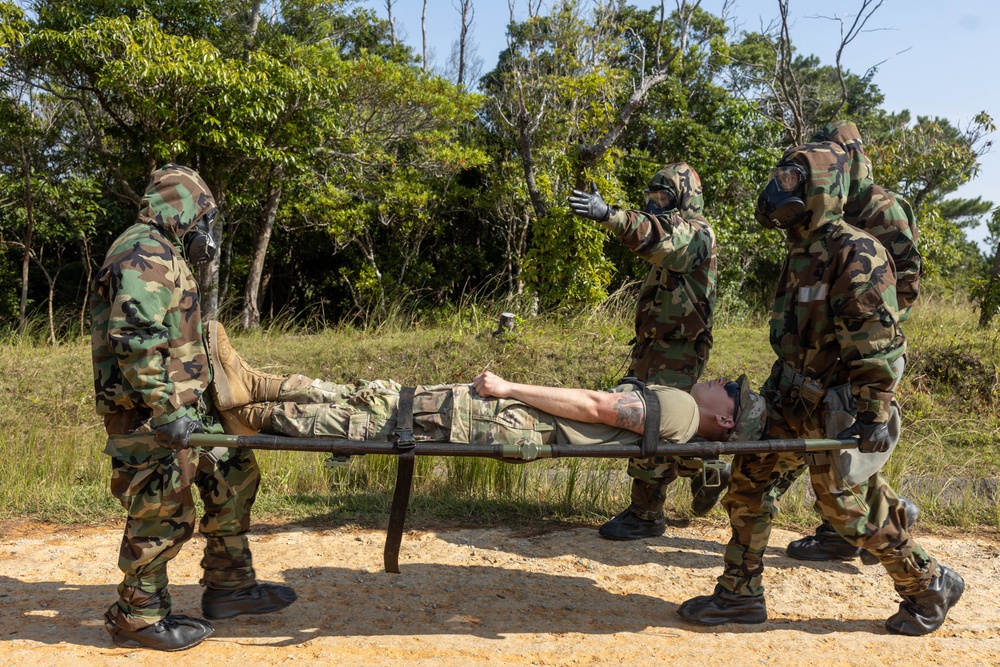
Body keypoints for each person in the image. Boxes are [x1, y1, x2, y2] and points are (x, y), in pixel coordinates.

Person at [676, 142, 963, 636]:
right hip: (790, 396)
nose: (778, 190)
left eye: (791, 180)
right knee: (749, 483)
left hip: (838, 403)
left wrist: (873, 414)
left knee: (849, 510)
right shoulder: (801, 248)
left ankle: (928, 583)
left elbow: (877, 342)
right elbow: (794, 339)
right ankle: (740, 594)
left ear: (823, 188)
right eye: (780, 178)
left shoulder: (857, 251)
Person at [90, 165, 296, 652]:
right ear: (177, 208)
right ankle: (137, 615)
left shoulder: (167, 251)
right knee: (163, 509)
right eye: (201, 215)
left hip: (188, 407)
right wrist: (166, 412)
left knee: (235, 476)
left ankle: (231, 587)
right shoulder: (141, 252)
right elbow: (135, 339)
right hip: (149, 414)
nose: (206, 228)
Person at [203, 322, 767, 458]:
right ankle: (249, 390)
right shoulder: (681, 411)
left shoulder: (679, 411)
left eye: (732, 393)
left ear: (725, 422)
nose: (722, 381)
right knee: (380, 400)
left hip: (508, 419)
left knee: (374, 417)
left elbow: (595, 406)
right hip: (510, 417)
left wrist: (508, 385)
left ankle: (252, 411)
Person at [781, 120, 922, 562]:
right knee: (829, 437)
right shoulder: (821, 211)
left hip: (868, 337)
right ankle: (859, 526)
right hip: (833, 341)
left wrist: (869, 331)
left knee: (848, 438)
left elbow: (905, 282)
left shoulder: (883, 209)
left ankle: (878, 524)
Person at [567, 163, 726, 541]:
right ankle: (707, 465)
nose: (656, 206)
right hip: (655, 348)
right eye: (651, 199)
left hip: (679, 349)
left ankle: (646, 513)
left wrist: (609, 215)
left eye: (664, 198)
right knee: (656, 424)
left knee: (653, 425)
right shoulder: (676, 230)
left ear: (685, 198)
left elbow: (659, 238)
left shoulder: (696, 233)